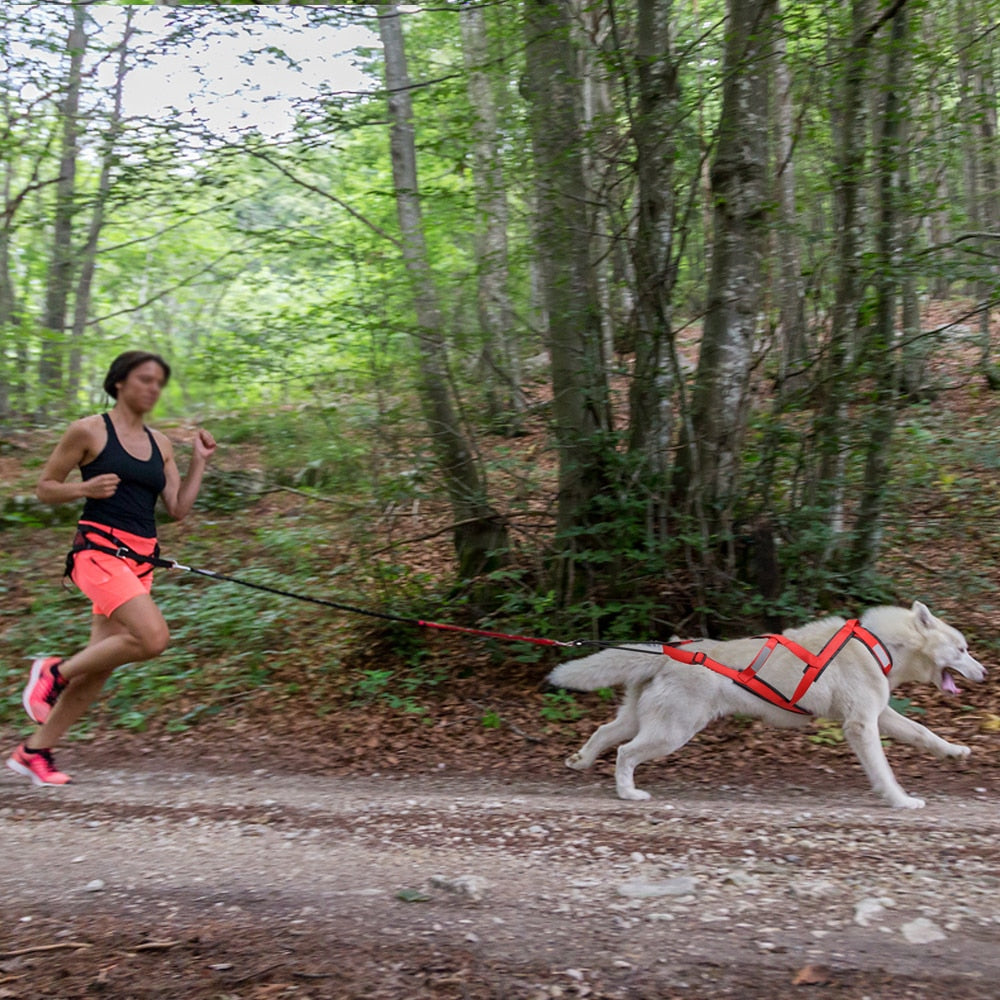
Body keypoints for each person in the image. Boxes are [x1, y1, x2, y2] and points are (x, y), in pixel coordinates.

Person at [6, 350, 216, 786]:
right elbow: (45, 488)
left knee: (98, 665)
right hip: (98, 552)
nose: (153, 389)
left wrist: (199, 461)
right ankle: (51, 672)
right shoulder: (88, 430)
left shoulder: (161, 444)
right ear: (120, 382)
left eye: (159, 382)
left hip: (141, 560)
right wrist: (85, 487)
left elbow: (177, 508)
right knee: (153, 637)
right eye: (145, 379)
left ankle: (34, 751)